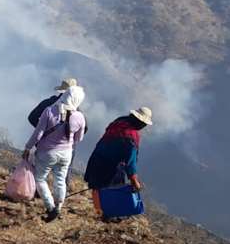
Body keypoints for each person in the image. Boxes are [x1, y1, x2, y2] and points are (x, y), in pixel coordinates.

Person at [23, 85, 87, 222]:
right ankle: (59, 206)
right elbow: (79, 138)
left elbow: (38, 133)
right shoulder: (80, 116)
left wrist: (28, 148)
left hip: (47, 152)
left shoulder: (49, 111)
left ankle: (50, 207)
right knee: (60, 180)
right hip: (66, 153)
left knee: (40, 179)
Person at [84, 107, 153, 217]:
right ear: (140, 123)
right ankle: (108, 214)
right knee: (113, 190)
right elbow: (131, 162)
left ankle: (98, 212)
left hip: (97, 157)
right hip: (112, 166)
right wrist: (135, 181)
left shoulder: (119, 121)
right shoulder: (131, 137)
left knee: (96, 187)